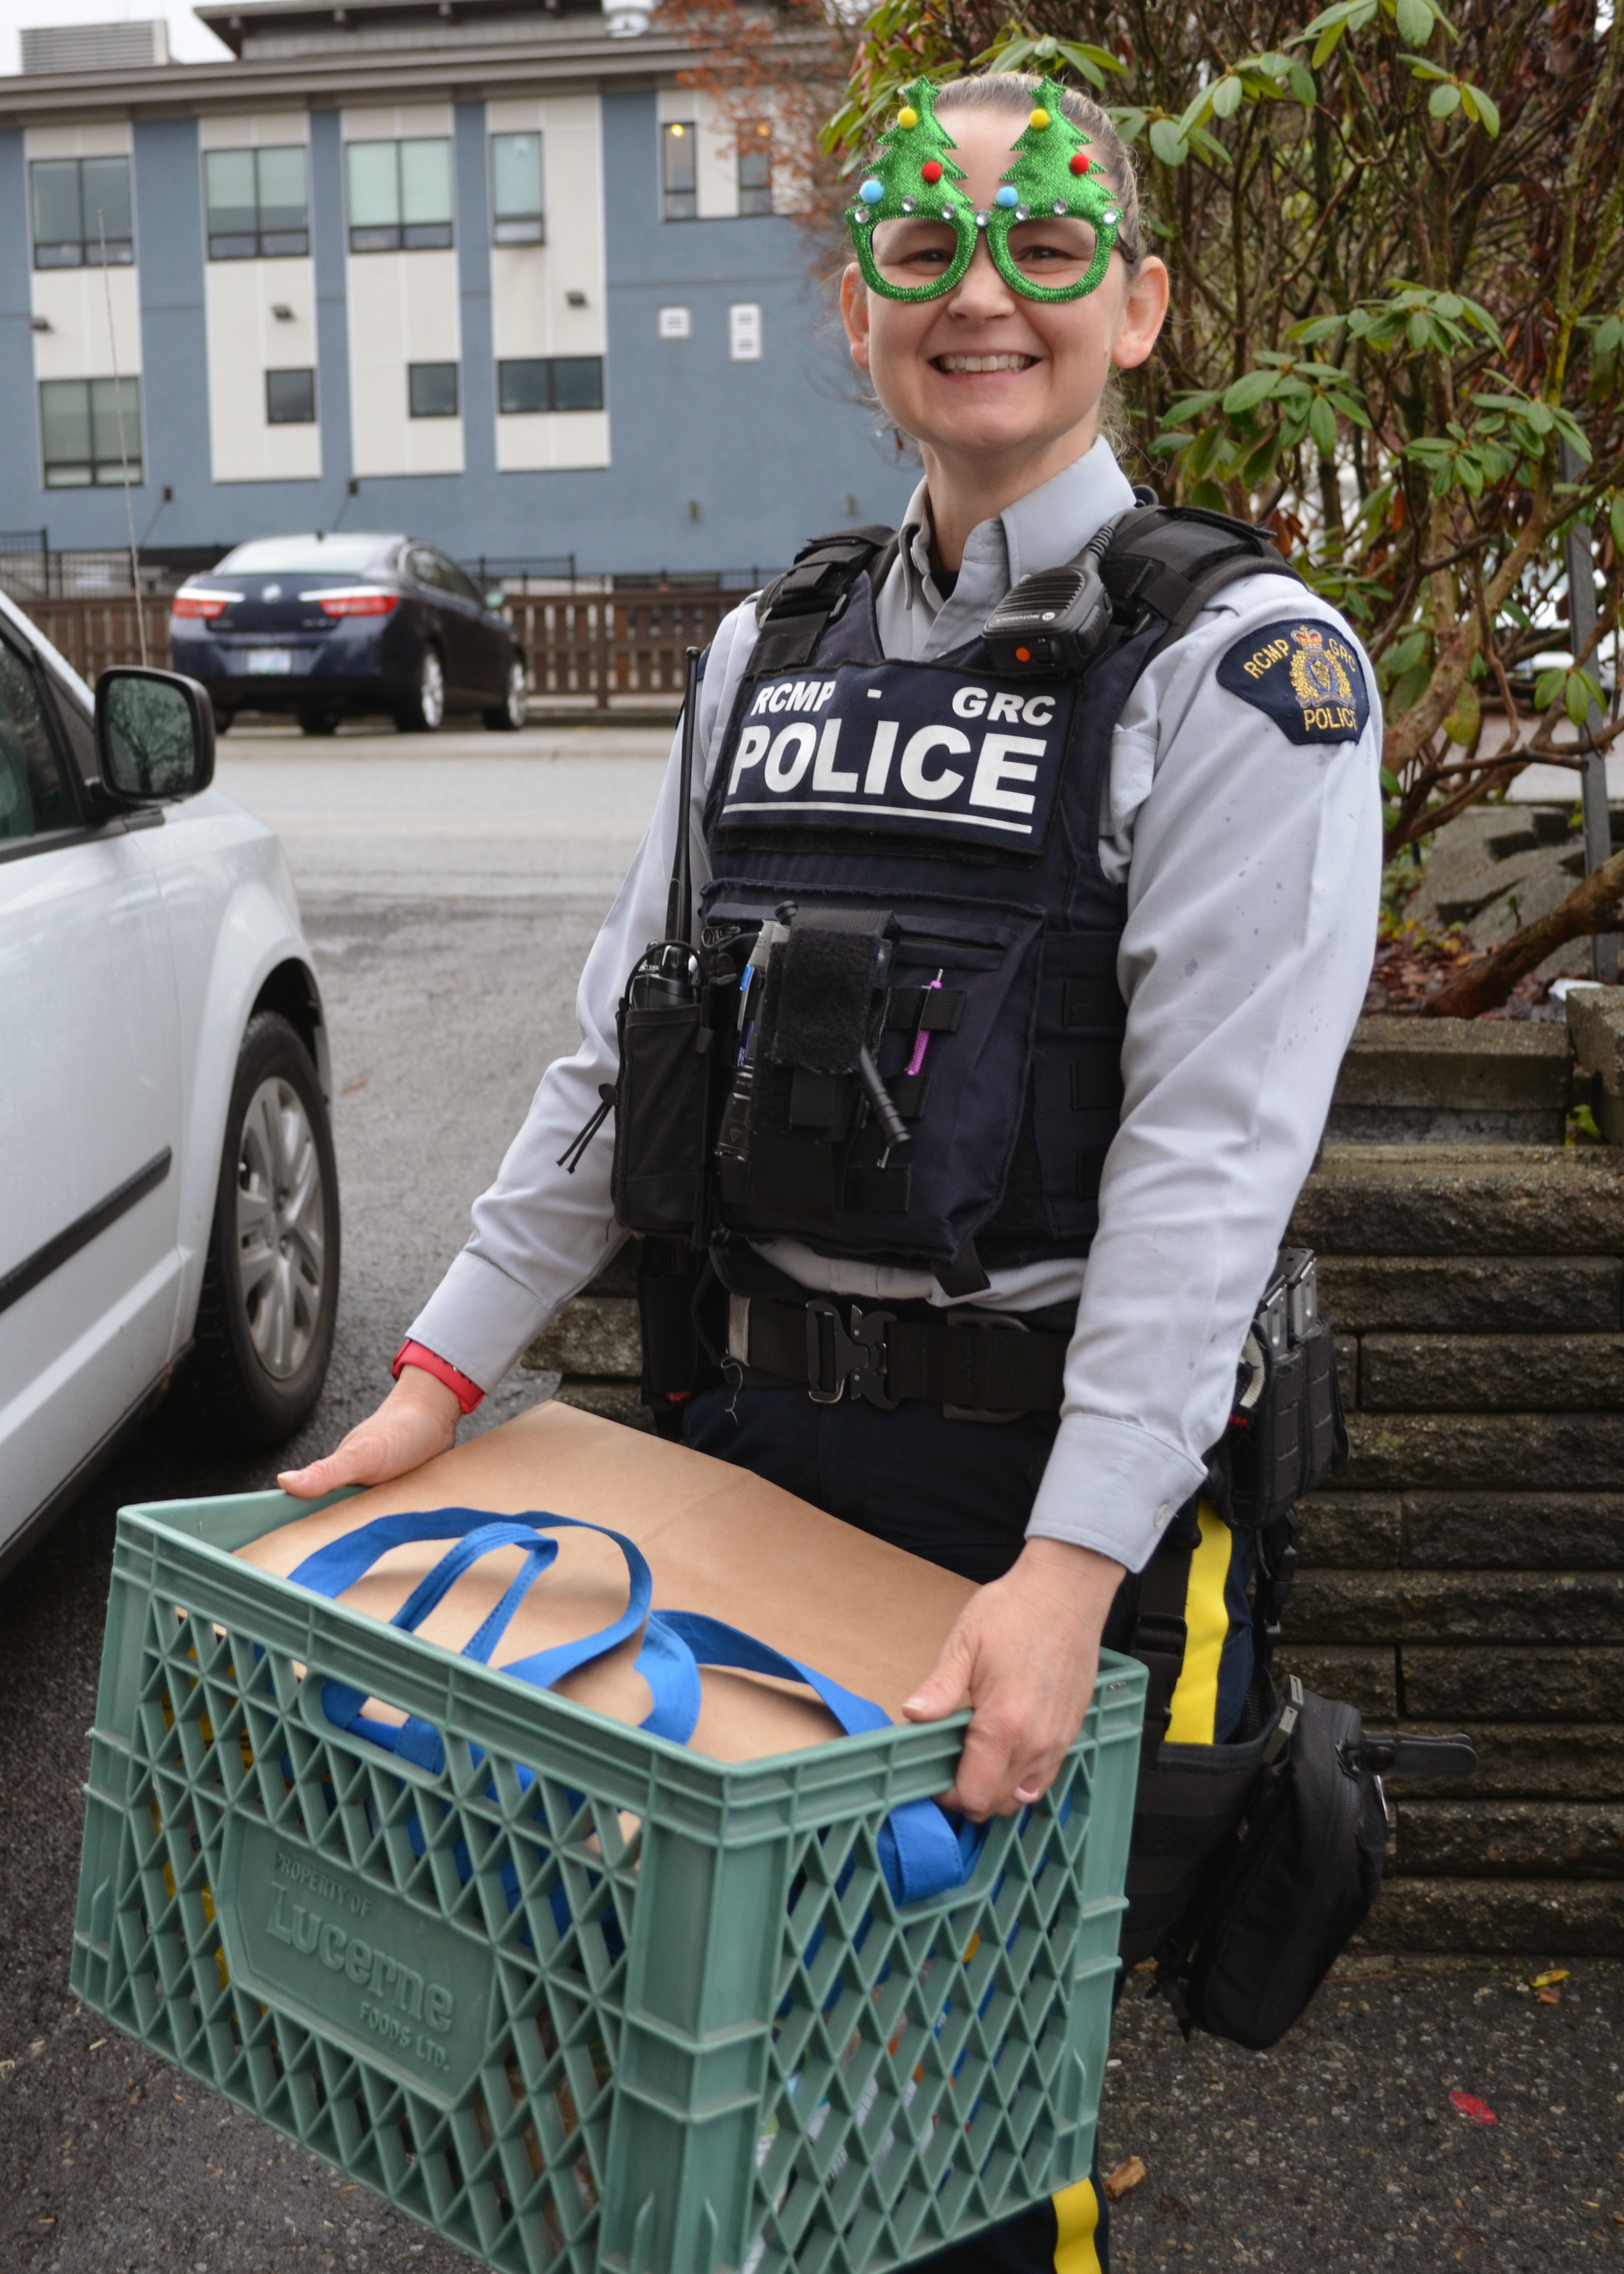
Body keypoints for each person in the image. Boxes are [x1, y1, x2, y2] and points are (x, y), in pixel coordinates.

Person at [282, 70, 1381, 2272]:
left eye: (1047, 244)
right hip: (751, 1457)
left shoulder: (1242, 676)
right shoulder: (757, 654)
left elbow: (1209, 1172)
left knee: (955, 2124)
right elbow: (616, 1058)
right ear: (856, 306)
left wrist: (1064, 1573)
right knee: (698, 2065)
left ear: (1140, 304)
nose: (983, 292)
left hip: (1034, 1508)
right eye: (922, 244)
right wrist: (432, 1374)